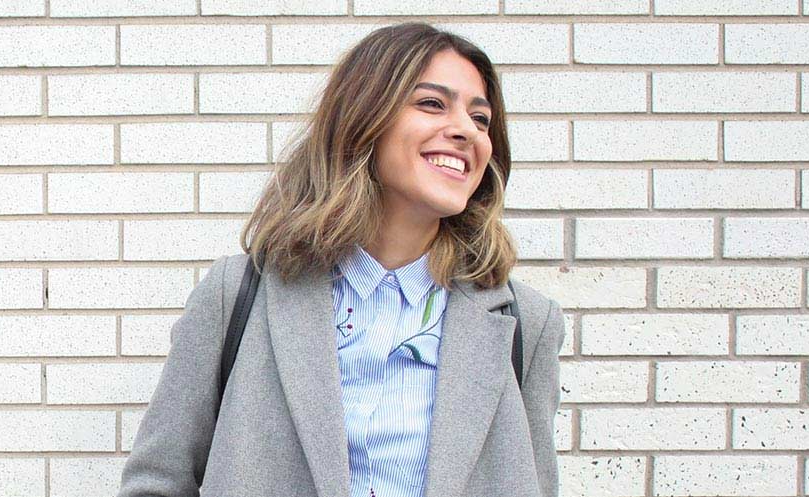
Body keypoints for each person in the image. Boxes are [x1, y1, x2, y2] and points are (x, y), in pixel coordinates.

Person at [117, 23, 565, 497]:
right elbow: (158, 481)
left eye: (481, 119)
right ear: (363, 118)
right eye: (432, 103)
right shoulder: (238, 296)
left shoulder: (524, 323)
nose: (465, 131)